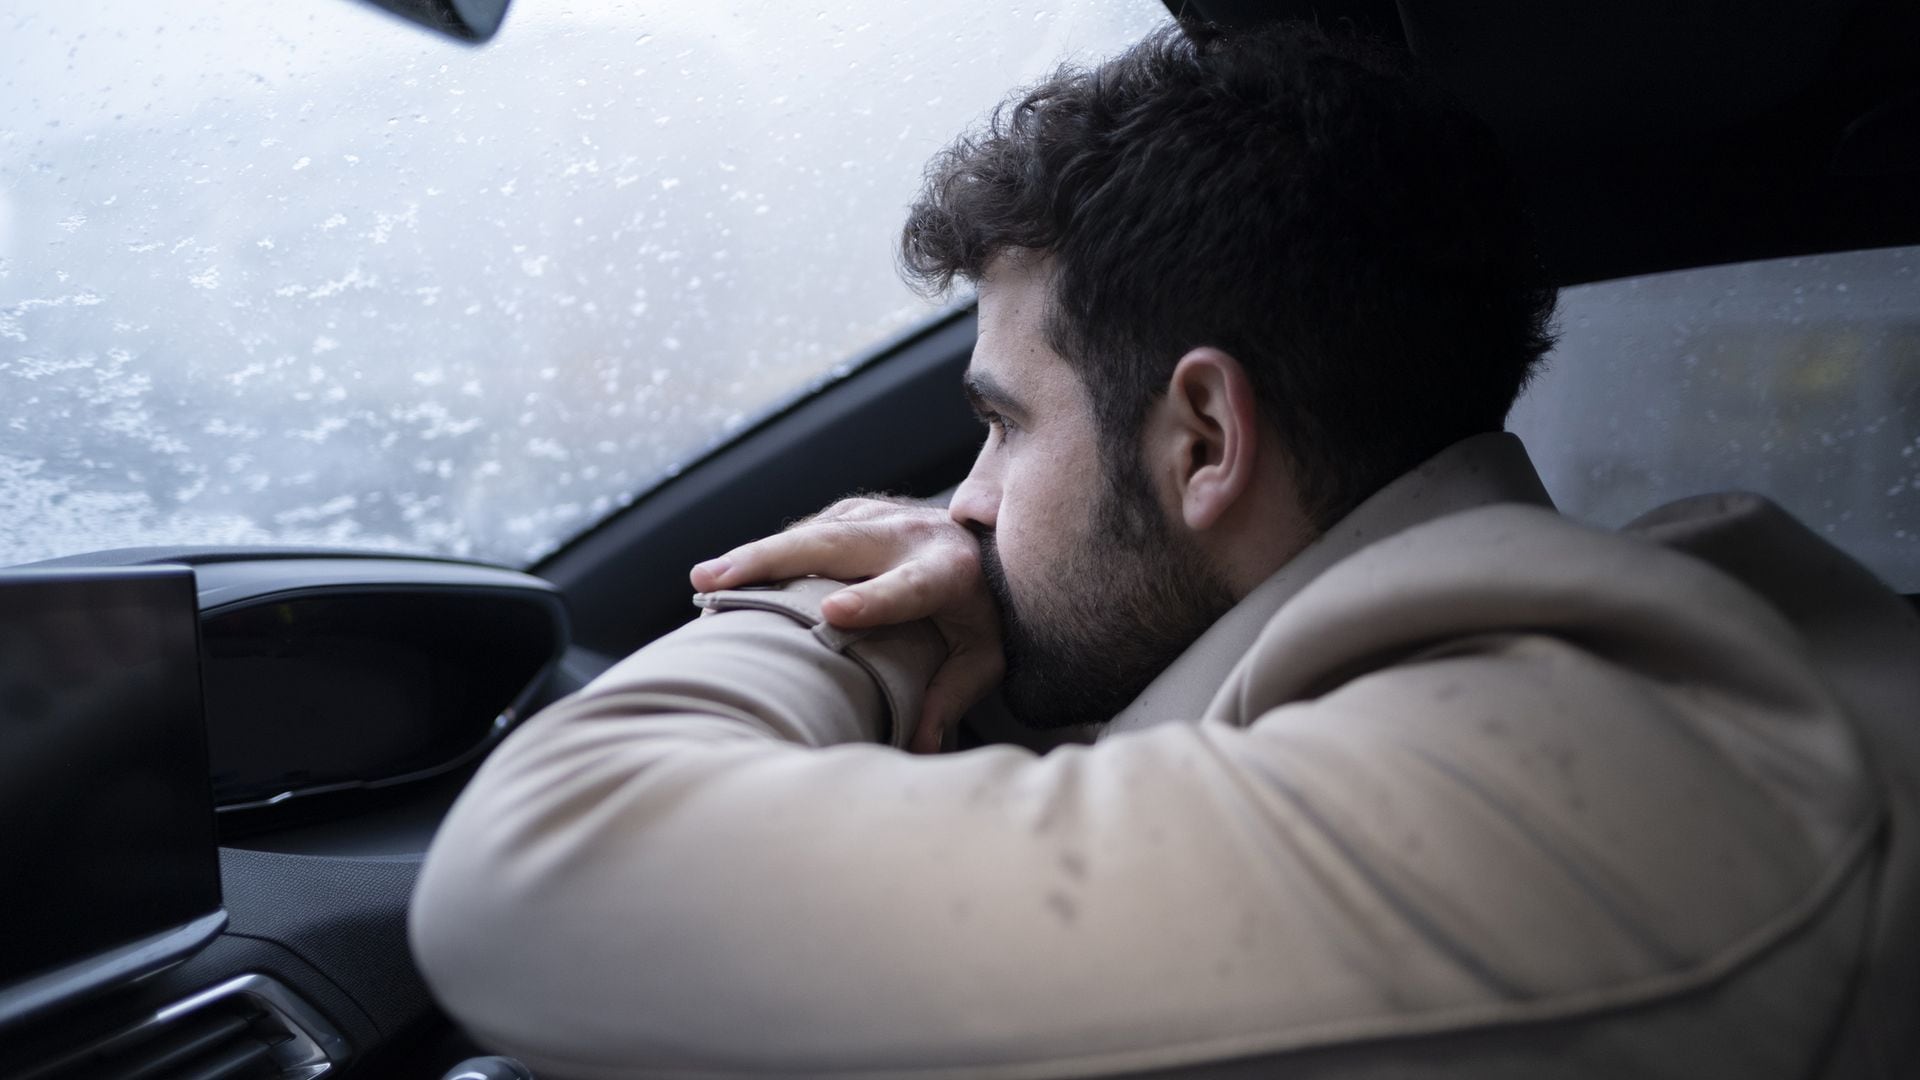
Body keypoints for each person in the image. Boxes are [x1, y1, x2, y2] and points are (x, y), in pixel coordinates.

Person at [410, 20, 1920, 1079]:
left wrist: (838, 603)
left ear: (1203, 441)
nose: (967, 505)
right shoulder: (1525, 684)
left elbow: (528, 880)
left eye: (1001, 427)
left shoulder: (1544, 775)